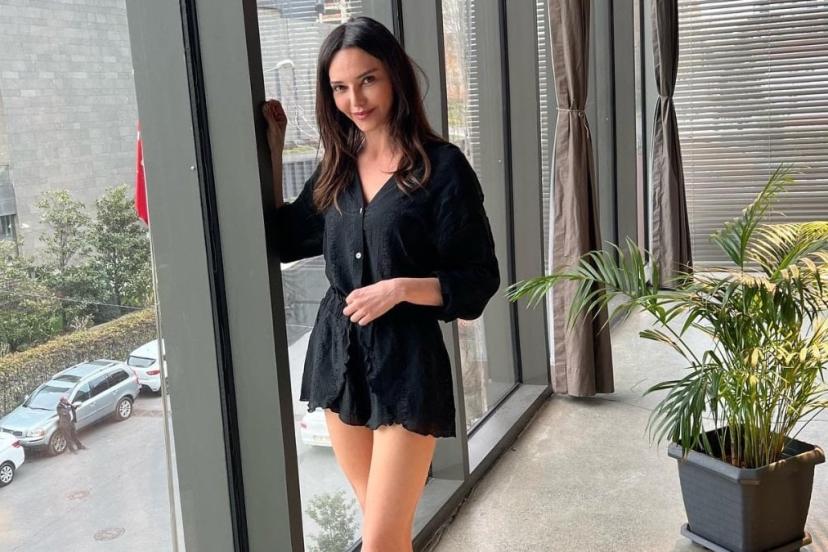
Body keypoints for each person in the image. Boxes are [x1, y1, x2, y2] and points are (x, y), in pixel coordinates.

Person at [263, 16, 499, 552]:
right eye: (340, 87)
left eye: (367, 80)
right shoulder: (337, 166)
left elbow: (479, 280)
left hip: (407, 363)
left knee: (382, 539)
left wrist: (400, 289)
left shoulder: (442, 168)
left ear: (394, 76)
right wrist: (274, 150)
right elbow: (287, 239)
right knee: (380, 527)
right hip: (339, 357)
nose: (355, 100)